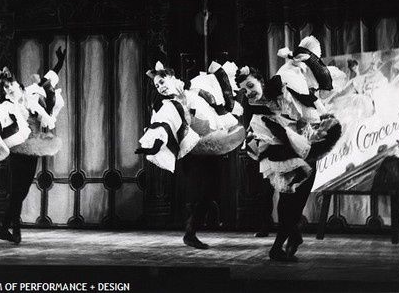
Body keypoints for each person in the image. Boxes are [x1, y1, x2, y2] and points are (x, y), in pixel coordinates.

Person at [237, 36, 342, 262]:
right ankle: (283, 242)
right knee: (289, 201)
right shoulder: (280, 84)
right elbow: (262, 108)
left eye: (251, 87)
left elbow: (324, 84)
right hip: (286, 150)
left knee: (293, 201)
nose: (249, 92)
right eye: (246, 90)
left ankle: (289, 237)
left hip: (302, 147)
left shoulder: (302, 90)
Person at [136, 61, 244, 249]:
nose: (160, 87)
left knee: (210, 191)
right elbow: (162, 126)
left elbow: (214, 107)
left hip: (211, 145)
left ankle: (195, 225)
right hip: (192, 152)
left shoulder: (194, 90)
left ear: (171, 76)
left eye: (162, 81)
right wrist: (154, 145)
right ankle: (191, 231)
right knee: (197, 191)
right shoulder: (166, 105)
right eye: (157, 85)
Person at [0, 47, 66, 244]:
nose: (9, 89)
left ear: (18, 84)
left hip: (34, 146)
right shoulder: (4, 107)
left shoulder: (32, 95)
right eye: (5, 87)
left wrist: (60, 62)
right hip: (18, 148)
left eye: (10, 84)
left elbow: (49, 80)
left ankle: (9, 228)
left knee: (21, 192)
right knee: (17, 191)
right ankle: (9, 227)